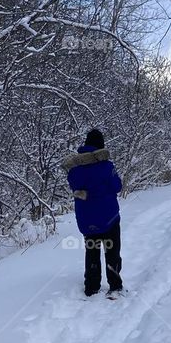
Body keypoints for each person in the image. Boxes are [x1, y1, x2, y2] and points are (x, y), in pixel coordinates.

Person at [62, 128, 124, 298]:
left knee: (92, 250)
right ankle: (115, 286)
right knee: (112, 252)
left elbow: (77, 188)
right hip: (109, 217)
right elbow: (117, 186)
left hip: (86, 219)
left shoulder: (74, 170)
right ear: (100, 145)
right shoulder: (106, 166)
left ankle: (91, 286)